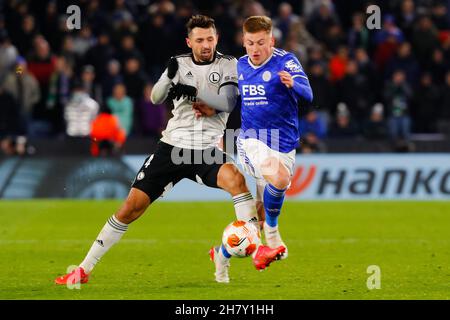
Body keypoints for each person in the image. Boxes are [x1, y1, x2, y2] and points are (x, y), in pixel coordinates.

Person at [55, 15, 283, 286]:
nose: (205, 44)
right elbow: (155, 97)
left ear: (217, 38)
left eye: (210, 38)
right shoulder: (179, 63)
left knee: (236, 180)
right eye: (199, 40)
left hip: (205, 150)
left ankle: (256, 249)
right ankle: (83, 269)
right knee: (130, 208)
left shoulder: (228, 64)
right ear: (190, 41)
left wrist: (195, 91)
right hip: (172, 148)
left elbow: (228, 101)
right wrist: (170, 75)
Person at [203, 16, 313, 262]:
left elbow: (308, 94)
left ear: (271, 41)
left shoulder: (286, 62)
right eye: (250, 43)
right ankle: (274, 239)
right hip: (251, 141)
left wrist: (293, 83)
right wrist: (217, 127)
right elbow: (229, 103)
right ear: (244, 42)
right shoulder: (238, 67)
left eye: (261, 43)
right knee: (280, 179)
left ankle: (222, 254)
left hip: (284, 144)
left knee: (259, 216)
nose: (255, 49)